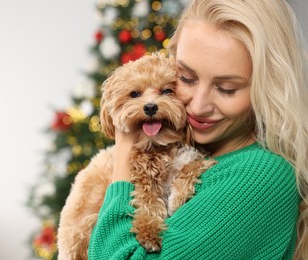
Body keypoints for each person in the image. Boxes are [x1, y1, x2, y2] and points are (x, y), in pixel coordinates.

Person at [87, 0, 308, 259]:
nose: (199, 106)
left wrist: (125, 147)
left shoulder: (260, 175)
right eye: (186, 78)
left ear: (267, 88)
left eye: (227, 88)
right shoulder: (185, 149)